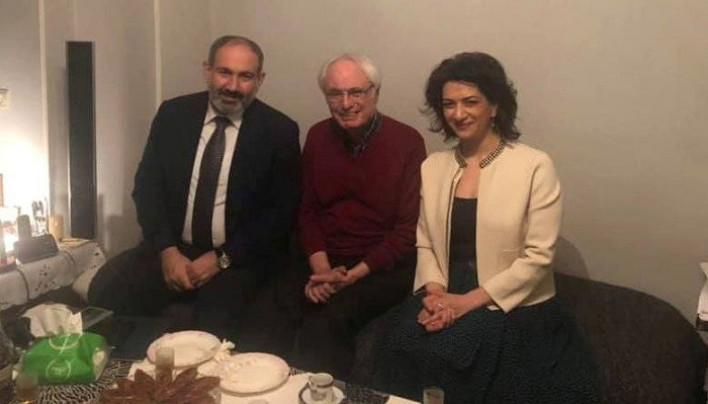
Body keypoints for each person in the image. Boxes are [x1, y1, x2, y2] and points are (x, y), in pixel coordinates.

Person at [373, 52, 601, 403]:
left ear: (495, 106)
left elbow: (538, 257)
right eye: (449, 104)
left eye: (470, 102)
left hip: (507, 299)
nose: (458, 113)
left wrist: (464, 303)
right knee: (398, 346)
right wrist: (436, 295)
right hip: (445, 288)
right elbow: (425, 241)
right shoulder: (433, 166)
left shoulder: (534, 166)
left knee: (451, 358)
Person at [87, 35, 301, 340]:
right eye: (224, 72)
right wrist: (167, 251)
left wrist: (221, 258)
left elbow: (280, 214)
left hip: (236, 257)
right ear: (207, 70)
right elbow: (147, 187)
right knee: (108, 295)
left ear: (260, 80)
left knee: (213, 330)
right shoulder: (173, 115)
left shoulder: (279, 131)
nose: (232, 86)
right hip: (172, 247)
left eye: (245, 76)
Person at [240, 53, 426, 380]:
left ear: (375, 93)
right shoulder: (317, 136)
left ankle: (321, 397)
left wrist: (350, 277)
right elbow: (308, 210)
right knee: (267, 312)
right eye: (335, 94)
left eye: (356, 92)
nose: (346, 103)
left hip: (380, 267)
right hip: (323, 259)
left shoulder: (407, 142)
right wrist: (322, 270)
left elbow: (405, 230)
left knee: (327, 322)